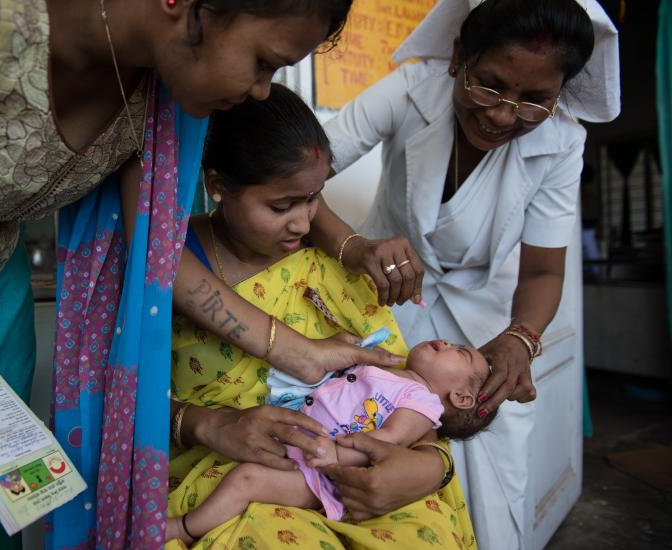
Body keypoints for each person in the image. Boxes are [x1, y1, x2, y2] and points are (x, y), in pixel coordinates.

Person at [0, 1, 392, 548]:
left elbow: (158, 258)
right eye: (263, 61)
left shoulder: (158, 87)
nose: (260, 91)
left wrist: (299, 352)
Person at [320, 0, 620, 547]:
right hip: (379, 293)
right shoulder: (412, 89)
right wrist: (353, 246)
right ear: (459, 55)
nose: (504, 115)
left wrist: (521, 339)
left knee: (494, 446)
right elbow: (298, 174)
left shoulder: (562, 141)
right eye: (488, 86)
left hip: (486, 313)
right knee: (359, 428)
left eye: (536, 101)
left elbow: (543, 272)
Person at [166, 83, 476, 550]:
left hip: (361, 468)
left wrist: (430, 463)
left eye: (314, 198)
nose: (303, 223)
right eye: (281, 206)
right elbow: (127, 404)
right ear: (217, 186)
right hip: (241, 466)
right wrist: (210, 425)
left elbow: (408, 393)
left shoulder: (327, 267)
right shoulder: (172, 262)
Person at [167, 336, 496, 545]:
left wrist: (336, 454)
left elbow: (387, 441)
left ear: (462, 398)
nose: (447, 343)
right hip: (301, 441)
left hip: (320, 474)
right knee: (242, 463)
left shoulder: (422, 401)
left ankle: (184, 529)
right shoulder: (389, 366)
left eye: (461, 353)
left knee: (245, 479)